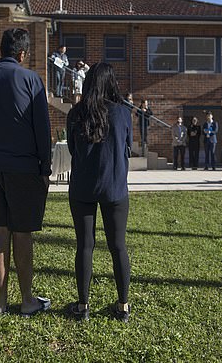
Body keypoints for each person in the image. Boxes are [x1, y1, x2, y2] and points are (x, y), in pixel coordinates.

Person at [0, 28, 52, 316]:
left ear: (0, 49)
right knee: (23, 232)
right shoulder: (31, 79)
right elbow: (42, 127)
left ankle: (1, 301)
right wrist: (45, 166)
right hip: (24, 167)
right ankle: (27, 300)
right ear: (23, 53)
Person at [66, 62, 132, 322]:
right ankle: (123, 307)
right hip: (115, 187)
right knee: (118, 246)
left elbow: (72, 149)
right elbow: (128, 147)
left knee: (85, 245)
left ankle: (83, 307)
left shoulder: (75, 113)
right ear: (111, 82)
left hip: (82, 186)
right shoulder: (123, 112)